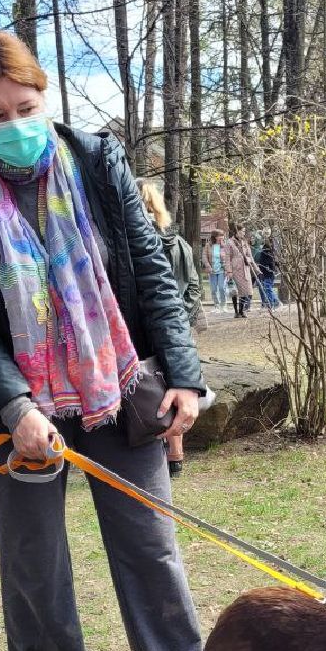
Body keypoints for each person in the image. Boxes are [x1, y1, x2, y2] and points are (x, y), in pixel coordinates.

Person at [0, 29, 206, 651]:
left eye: (26, 106)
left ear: (46, 96)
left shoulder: (95, 158)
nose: (15, 125)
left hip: (119, 386)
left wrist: (183, 373)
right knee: (33, 566)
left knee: (153, 553)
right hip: (15, 412)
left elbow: (148, 268)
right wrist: (15, 406)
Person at [141, 180, 202, 477]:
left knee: (157, 387)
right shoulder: (181, 244)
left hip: (156, 325)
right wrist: (183, 322)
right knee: (174, 385)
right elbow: (193, 286)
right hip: (176, 326)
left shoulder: (142, 241)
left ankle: (167, 453)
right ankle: (175, 455)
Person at [227, 225, 256, 317]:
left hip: (245, 268)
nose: (244, 233)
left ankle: (242, 310)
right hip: (235, 269)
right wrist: (229, 271)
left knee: (245, 290)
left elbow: (250, 255)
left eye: (244, 231)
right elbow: (227, 258)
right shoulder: (229, 242)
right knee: (235, 290)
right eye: (242, 231)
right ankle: (236, 311)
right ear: (237, 231)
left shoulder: (245, 242)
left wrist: (255, 268)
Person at [202, 227, 228, 312]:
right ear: (215, 237)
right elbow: (204, 257)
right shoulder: (208, 245)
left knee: (221, 288)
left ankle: (223, 305)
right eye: (220, 236)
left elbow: (228, 257)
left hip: (222, 270)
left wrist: (227, 268)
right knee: (213, 289)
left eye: (222, 236)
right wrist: (208, 266)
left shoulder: (224, 246)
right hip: (212, 271)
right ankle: (216, 306)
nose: (222, 237)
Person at [256, 233, 281, 308]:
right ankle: (273, 302)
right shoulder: (265, 249)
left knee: (268, 287)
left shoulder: (268, 250)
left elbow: (270, 261)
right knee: (267, 287)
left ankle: (274, 302)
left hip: (268, 273)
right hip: (265, 272)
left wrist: (268, 267)